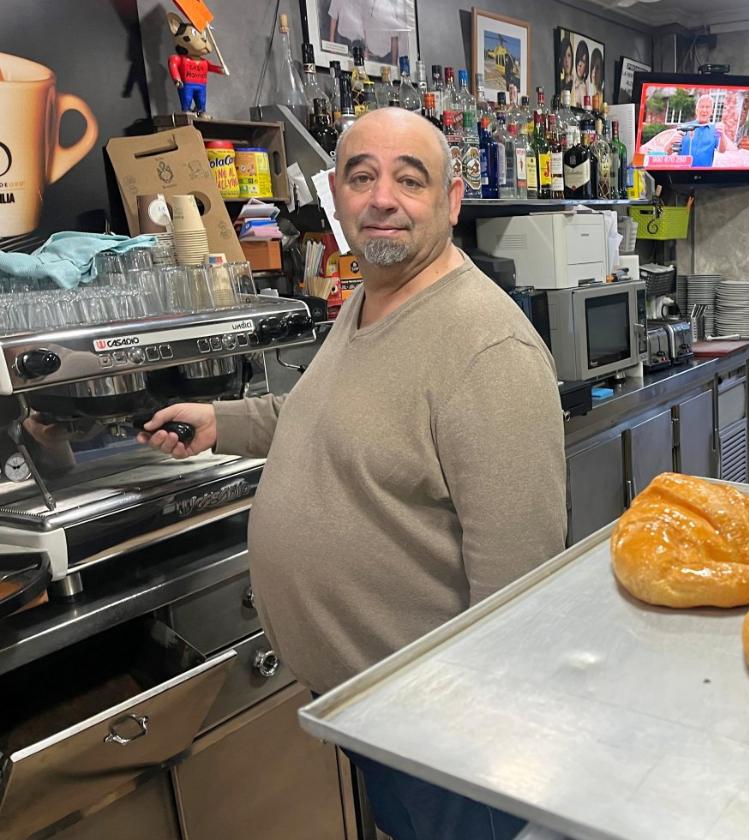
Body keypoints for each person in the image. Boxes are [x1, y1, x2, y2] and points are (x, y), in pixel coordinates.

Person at [139, 108, 567, 839]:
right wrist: (225, 423)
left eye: (410, 178)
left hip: (443, 738)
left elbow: (519, 600)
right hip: (372, 712)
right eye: (363, 177)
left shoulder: (487, 350)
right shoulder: (370, 298)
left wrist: (472, 744)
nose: (383, 198)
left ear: (452, 200)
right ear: (336, 193)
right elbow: (324, 413)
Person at [638, 93, 731, 167]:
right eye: (702, 107)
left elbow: (722, 150)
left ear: (711, 111)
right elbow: (667, 152)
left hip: (704, 176)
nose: (704, 110)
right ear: (696, 110)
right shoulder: (684, 128)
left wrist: (722, 135)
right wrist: (671, 141)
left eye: (707, 107)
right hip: (682, 175)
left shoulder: (715, 130)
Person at [572, 40, 590, 108]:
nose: (579, 64)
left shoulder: (586, 86)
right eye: (578, 60)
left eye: (583, 61)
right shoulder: (572, 83)